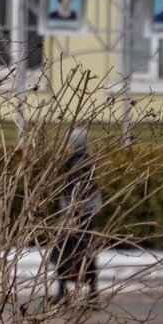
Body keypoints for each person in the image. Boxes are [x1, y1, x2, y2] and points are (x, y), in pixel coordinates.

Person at [51, 129, 104, 305]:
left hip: (76, 214)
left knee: (66, 252)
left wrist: (70, 210)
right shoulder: (88, 158)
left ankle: (62, 292)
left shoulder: (77, 161)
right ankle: (92, 293)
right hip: (86, 213)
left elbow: (75, 189)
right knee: (84, 252)